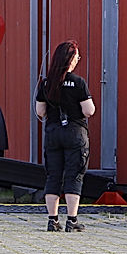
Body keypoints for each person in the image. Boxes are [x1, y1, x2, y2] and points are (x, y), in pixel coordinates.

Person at [35, 40, 95, 231]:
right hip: (75, 133)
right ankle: (72, 220)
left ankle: (52, 220)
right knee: (74, 175)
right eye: (77, 56)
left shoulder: (46, 83)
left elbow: (40, 111)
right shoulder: (78, 82)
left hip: (53, 133)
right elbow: (89, 111)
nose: (78, 59)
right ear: (70, 60)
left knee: (53, 175)